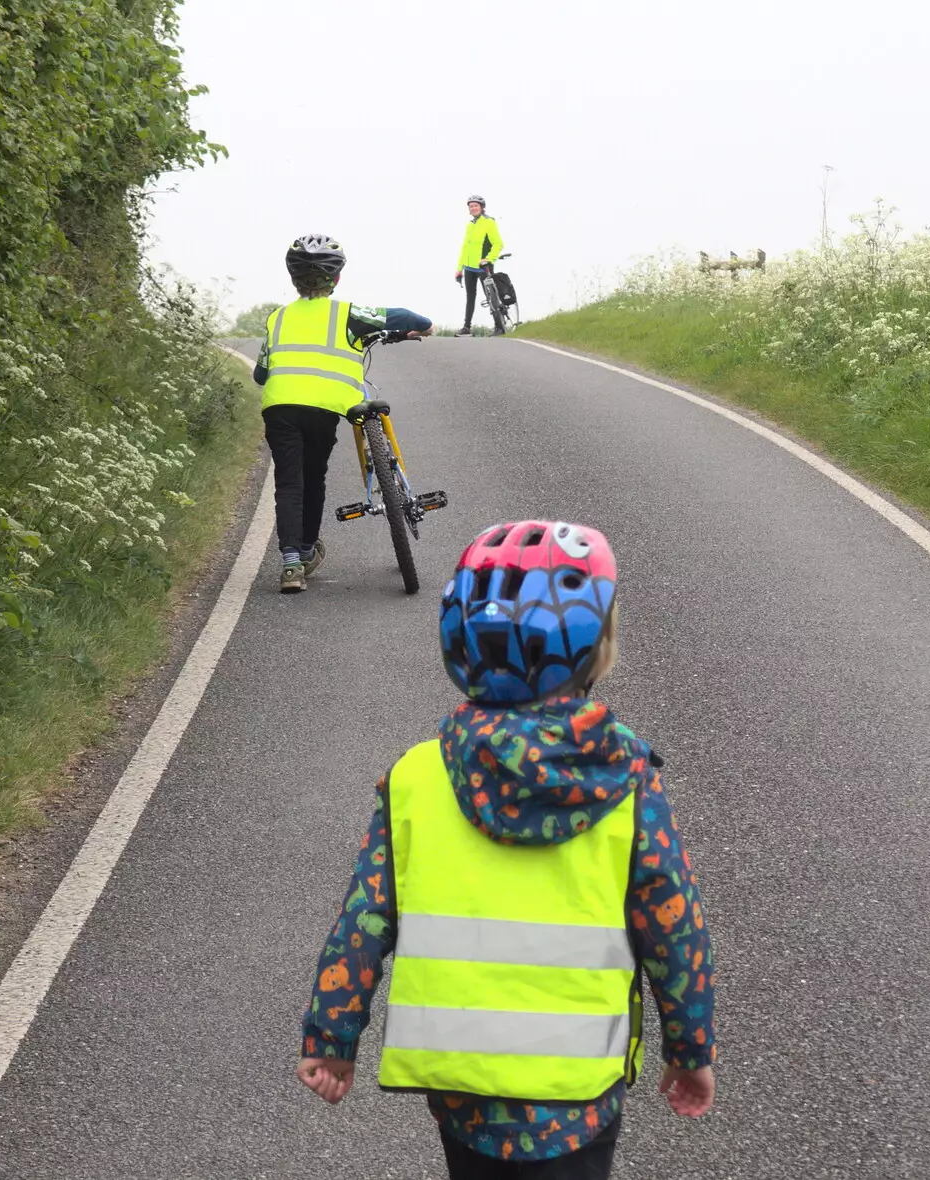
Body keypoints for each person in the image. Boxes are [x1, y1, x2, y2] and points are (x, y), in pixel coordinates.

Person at [297, 520, 717, 1177]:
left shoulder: (417, 775)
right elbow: (674, 927)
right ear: (592, 650)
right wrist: (690, 1051)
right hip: (578, 1091)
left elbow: (365, 919)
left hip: (462, 1086)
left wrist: (332, 1037)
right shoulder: (626, 779)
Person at [253, 234, 433, 593]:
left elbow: (260, 373)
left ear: (293, 278)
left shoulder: (278, 318)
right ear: (336, 279)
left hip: (279, 408)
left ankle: (292, 566)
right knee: (314, 476)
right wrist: (422, 329)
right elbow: (410, 317)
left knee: (290, 482)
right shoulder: (348, 313)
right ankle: (306, 548)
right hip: (323, 410)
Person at [454, 194, 506, 336]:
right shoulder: (470, 225)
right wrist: (459, 269)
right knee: (470, 297)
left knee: (491, 296)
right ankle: (466, 327)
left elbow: (498, 244)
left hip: (484, 267)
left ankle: (499, 326)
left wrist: (488, 259)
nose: (473, 208)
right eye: (471, 206)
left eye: (476, 205)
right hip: (469, 268)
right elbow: (465, 248)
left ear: (482, 207)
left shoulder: (489, 222)